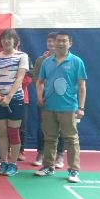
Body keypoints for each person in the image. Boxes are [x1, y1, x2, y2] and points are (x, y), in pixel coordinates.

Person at [35, 31, 87, 183]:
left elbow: (82, 86)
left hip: (69, 107)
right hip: (49, 106)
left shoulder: (76, 61)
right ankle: (48, 167)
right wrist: (39, 97)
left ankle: (74, 170)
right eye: (58, 40)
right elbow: (40, 81)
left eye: (64, 41)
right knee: (50, 138)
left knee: (71, 139)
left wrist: (81, 108)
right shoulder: (47, 62)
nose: (60, 43)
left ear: (70, 43)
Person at [0, 28, 29, 177]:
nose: (6, 41)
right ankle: (4, 162)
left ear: (15, 41)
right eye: (4, 38)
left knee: (13, 133)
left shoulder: (22, 56)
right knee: (1, 133)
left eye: (9, 38)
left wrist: (9, 97)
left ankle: (13, 164)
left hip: (15, 99)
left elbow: (20, 78)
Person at [32, 32, 65, 168]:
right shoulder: (41, 60)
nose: (51, 44)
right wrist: (40, 96)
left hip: (62, 98)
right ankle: (41, 153)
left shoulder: (66, 59)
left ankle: (60, 155)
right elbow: (36, 79)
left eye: (54, 41)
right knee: (42, 126)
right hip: (45, 97)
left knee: (61, 126)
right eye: (49, 41)